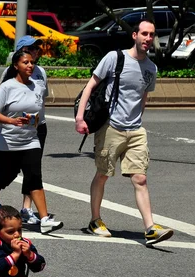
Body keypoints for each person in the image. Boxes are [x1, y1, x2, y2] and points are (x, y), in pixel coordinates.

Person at [75, 19, 174, 246]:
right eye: (144, 34)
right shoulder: (114, 58)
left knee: (140, 178)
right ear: (135, 36)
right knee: (103, 174)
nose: (148, 39)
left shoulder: (151, 68)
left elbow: (143, 97)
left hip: (136, 130)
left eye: (152, 35)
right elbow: (90, 86)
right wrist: (80, 118)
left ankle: (150, 228)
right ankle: (95, 220)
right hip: (111, 127)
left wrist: (138, 120)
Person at [0, 49, 63, 234]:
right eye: (25, 62)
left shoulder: (38, 86)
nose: (30, 65)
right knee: (3, 177)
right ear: (16, 66)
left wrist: (35, 121)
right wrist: (11, 121)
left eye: (31, 62)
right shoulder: (7, 87)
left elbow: (39, 111)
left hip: (30, 140)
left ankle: (44, 219)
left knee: (34, 176)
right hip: (6, 141)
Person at [0, 36, 49, 225]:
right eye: (31, 48)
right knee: (6, 172)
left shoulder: (41, 72)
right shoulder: (10, 74)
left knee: (33, 171)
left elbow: (42, 98)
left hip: (37, 128)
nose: (36, 51)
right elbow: (0, 101)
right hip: (14, 129)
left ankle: (27, 208)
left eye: (37, 48)